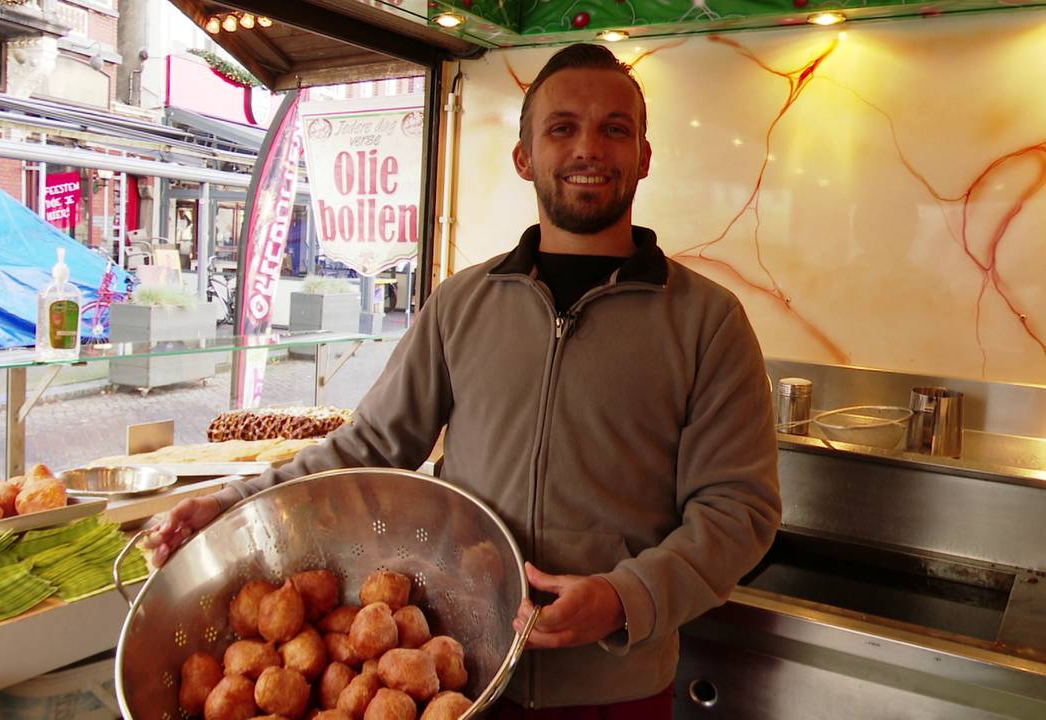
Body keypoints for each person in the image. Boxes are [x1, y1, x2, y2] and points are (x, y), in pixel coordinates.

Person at [148, 43, 781, 718]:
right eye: (562, 128)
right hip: (463, 683)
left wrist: (625, 599)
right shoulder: (462, 304)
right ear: (524, 157)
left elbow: (739, 513)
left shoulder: (708, 322)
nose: (589, 148)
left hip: (617, 690)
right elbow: (367, 449)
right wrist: (233, 504)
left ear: (644, 157)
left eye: (614, 129)